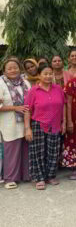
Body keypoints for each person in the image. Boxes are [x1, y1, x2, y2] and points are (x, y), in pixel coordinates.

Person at [24, 64, 66, 190]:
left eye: (50, 73)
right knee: (38, 152)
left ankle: (50, 175)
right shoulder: (33, 91)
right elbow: (27, 110)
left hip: (55, 124)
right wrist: (27, 128)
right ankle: (39, 178)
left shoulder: (58, 89)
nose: (48, 76)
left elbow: (63, 105)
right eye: (45, 74)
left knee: (53, 151)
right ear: (40, 75)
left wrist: (64, 122)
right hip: (38, 124)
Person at [0, 58, 31, 189]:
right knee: (11, 150)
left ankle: (25, 175)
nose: (13, 70)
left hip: (26, 121)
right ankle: (10, 178)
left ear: (20, 69)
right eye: (10, 68)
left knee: (25, 148)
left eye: (15, 67)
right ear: (4, 70)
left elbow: (31, 100)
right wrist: (15, 108)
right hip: (9, 122)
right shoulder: (1, 83)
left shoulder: (25, 82)